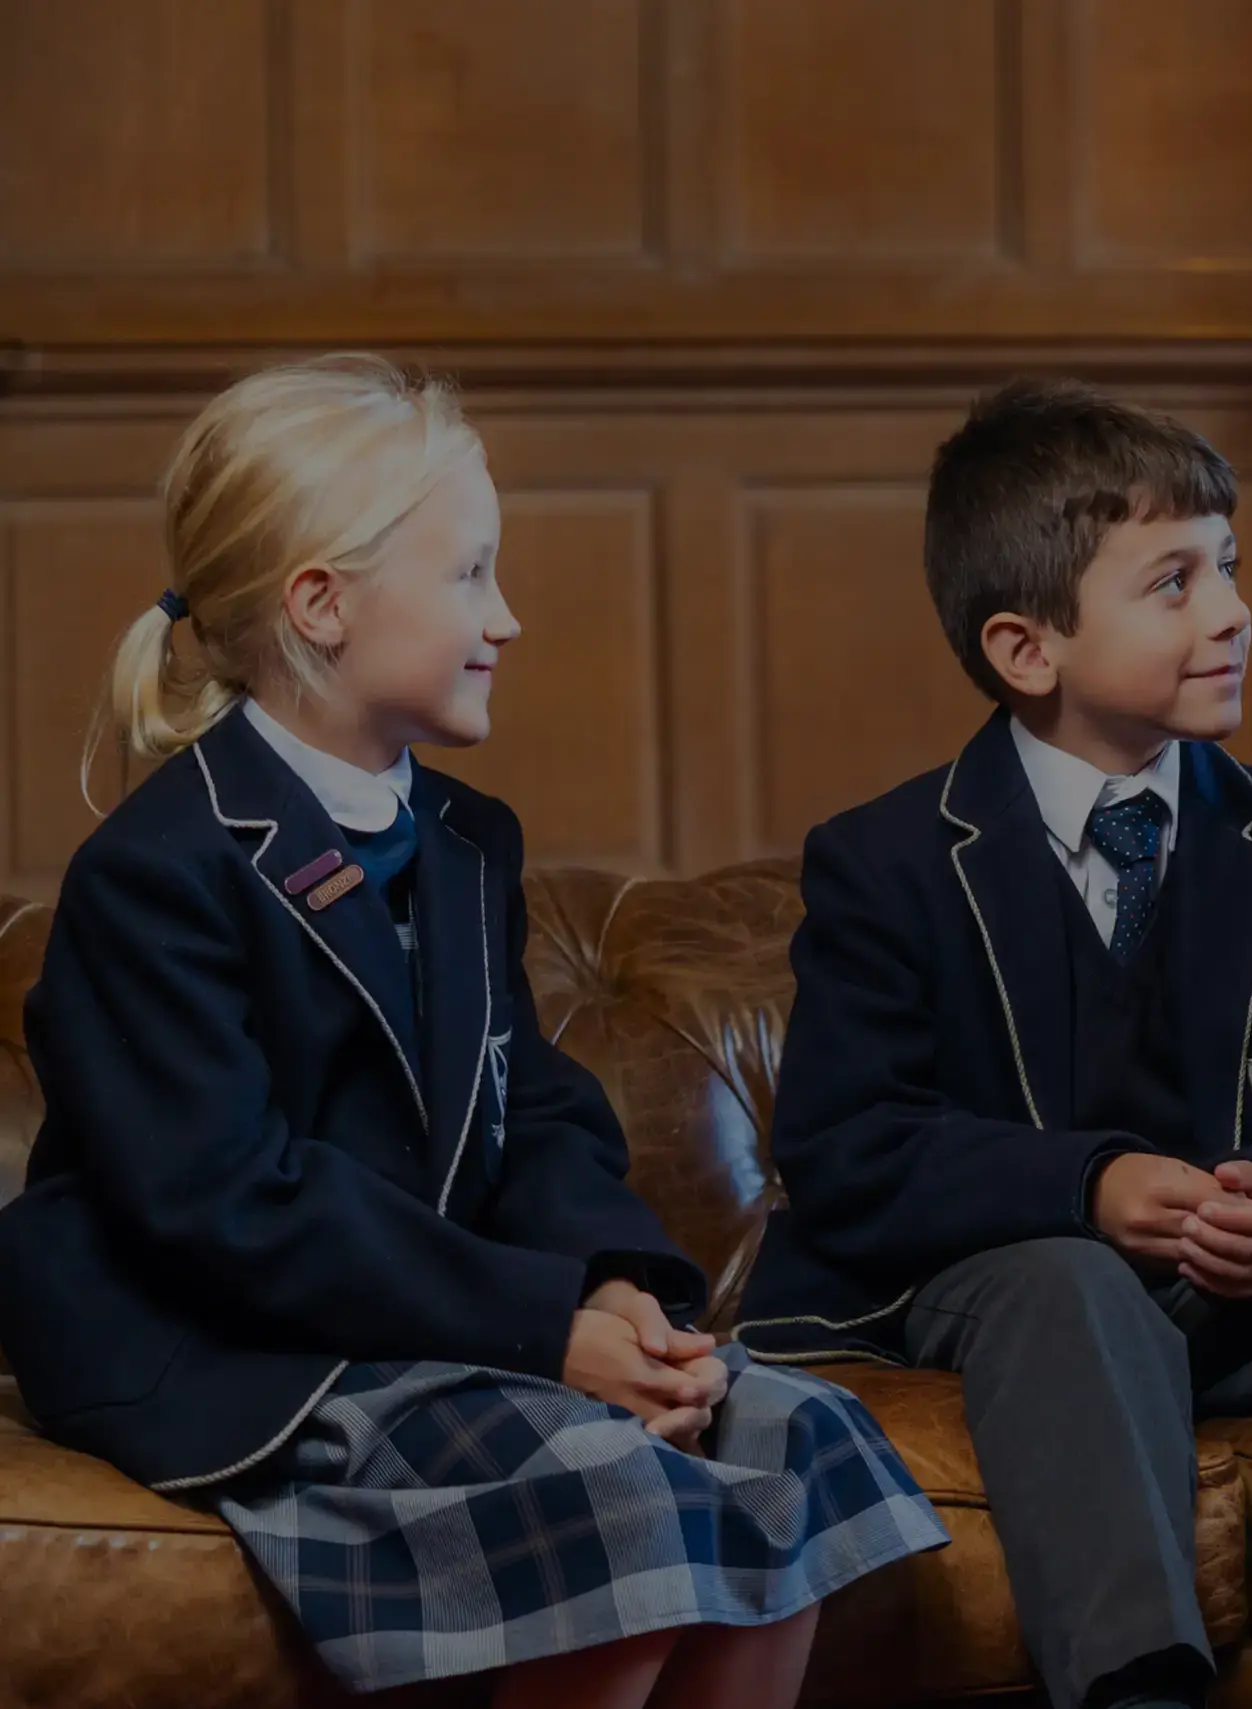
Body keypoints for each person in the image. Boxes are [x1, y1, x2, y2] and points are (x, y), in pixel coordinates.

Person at [0, 356, 947, 1704]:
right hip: (231, 1343)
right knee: (622, 1496)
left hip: (428, 1316)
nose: (507, 616)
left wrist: (610, 1289)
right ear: (321, 603)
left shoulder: (462, 838)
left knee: (807, 1437)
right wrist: (541, 1328)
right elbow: (230, 1210)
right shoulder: (160, 872)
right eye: (467, 575)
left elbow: (535, 1108)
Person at [733, 380, 1252, 1709]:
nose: (1231, 611)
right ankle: (1136, 1688)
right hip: (1003, 1282)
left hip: (1248, 1288)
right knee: (1070, 1282)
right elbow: (849, 1143)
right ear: (1027, 650)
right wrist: (1093, 1185)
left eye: (1228, 566)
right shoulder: (886, 863)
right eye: (1173, 582)